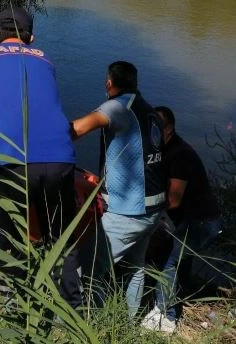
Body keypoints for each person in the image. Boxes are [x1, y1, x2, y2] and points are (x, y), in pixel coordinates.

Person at [0, 6, 81, 309]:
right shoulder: (46, 59)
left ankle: (13, 306)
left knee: (5, 232)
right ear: (32, 37)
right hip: (60, 158)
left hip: (10, 158)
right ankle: (71, 310)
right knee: (61, 237)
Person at [70, 61, 165, 318]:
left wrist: (45, 139)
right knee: (134, 269)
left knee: (86, 268)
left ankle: (79, 326)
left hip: (127, 212)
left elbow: (78, 129)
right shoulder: (149, 111)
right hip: (153, 209)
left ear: (109, 83)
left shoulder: (118, 106)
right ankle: (128, 323)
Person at [141, 106, 222, 333]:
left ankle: (165, 316)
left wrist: (143, 205)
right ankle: (183, 290)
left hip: (202, 223)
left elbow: (173, 201)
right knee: (179, 257)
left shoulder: (179, 155)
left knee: (168, 258)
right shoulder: (165, 150)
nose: (152, 133)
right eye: (149, 128)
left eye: (157, 128)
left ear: (169, 129)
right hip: (192, 220)